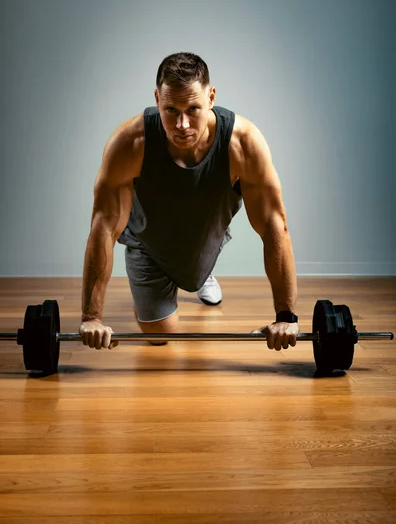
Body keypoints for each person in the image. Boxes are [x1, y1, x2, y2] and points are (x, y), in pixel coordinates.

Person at [79, 52, 300, 352]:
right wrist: (92, 317)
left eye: (192, 108)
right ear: (157, 98)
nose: (182, 124)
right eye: (170, 109)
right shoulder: (130, 144)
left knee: (199, 254)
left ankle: (201, 270)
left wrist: (285, 316)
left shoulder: (243, 144)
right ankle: (152, 294)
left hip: (206, 233)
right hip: (149, 244)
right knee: (159, 336)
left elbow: (275, 225)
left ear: (211, 97)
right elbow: (103, 225)